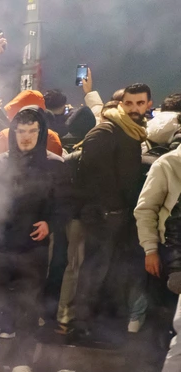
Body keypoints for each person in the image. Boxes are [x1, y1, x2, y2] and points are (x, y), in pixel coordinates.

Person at [0, 108, 70, 372]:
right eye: (21, 131)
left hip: (32, 250)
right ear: (13, 133)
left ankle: (22, 362)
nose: (26, 137)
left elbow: (66, 204)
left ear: (41, 132)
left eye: (32, 131)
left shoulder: (55, 164)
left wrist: (50, 224)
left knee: (27, 307)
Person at [71, 84, 154, 343]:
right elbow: (91, 176)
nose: (134, 109)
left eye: (140, 103)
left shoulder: (133, 131)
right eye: (129, 103)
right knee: (94, 271)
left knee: (110, 271)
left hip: (119, 214)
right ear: (121, 104)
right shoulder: (107, 130)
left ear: (149, 104)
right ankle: (81, 325)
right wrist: (107, 208)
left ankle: (99, 323)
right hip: (105, 215)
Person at [134, 143, 181, 372]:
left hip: (172, 256)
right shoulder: (167, 164)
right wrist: (151, 249)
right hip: (168, 255)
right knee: (163, 321)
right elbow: (145, 210)